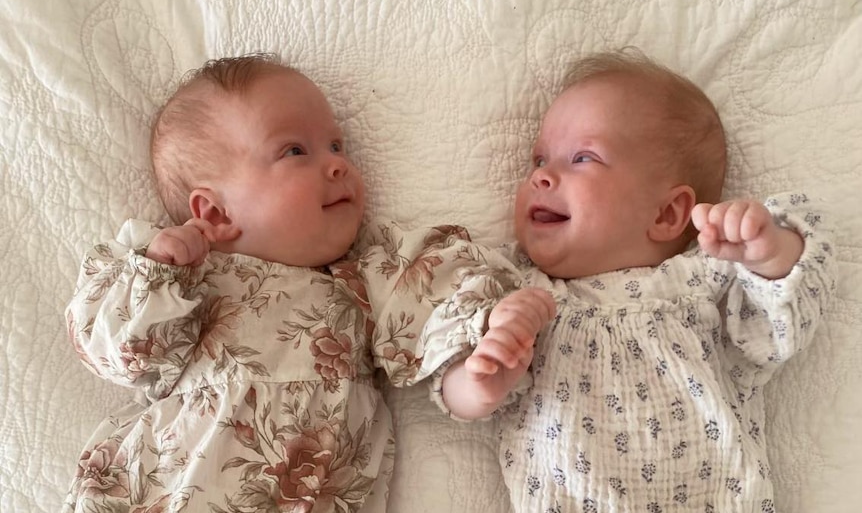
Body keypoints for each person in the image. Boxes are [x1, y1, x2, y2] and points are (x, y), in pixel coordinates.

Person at [61, 54, 555, 513]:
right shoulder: (191, 280)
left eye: (337, 145)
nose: (338, 163)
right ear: (214, 211)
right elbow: (115, 351)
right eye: (295, 150)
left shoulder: (370, 277)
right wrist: (157, 268)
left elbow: (436, 336)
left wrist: (486, 362)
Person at [433, 49, 835, 512]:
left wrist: (767, 250)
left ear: (666, 213)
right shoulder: (520, 294)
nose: (542, 176)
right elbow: (451, 387)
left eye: (582, 157)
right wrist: (483, 380)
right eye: (538, 159)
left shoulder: (703, 282)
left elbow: (780, 325)